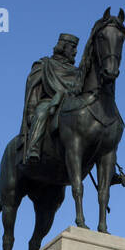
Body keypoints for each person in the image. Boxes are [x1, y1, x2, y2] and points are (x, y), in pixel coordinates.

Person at [20, 33, 83, 165]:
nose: (75, 51)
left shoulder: (78, 72)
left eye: (76, 48)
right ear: (63, 47)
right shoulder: (45, 65)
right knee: (41, 112)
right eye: (72, 47)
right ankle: (33, 148)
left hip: (71, 105)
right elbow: (33, 89)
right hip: (49, 103)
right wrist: (31, 112)